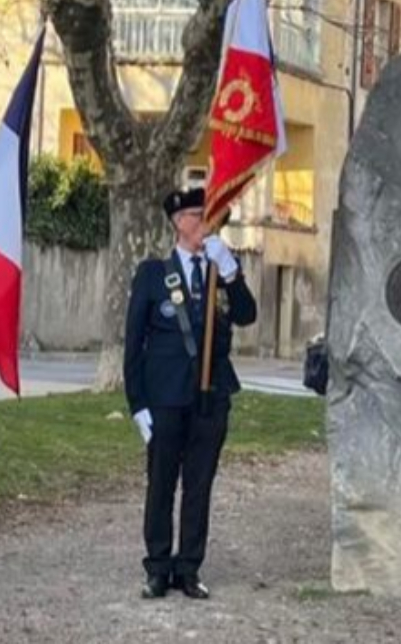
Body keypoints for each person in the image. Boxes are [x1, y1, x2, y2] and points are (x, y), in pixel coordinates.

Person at [123, 187, 257, 600]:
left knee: (199, 484)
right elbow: (133, 344)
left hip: (211, 393)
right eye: (197, 216)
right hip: (165, 395)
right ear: (178, 222)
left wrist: (231, 271)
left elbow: (248, 315)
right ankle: (158, 567)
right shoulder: (153, 273)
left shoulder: (221, 270)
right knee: (161, 482)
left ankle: (189, 567)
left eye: (209, 217)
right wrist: (137, 405)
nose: (204, 224)